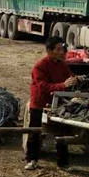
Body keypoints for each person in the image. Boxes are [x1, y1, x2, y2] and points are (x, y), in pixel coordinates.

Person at [25, 36, 78, 170]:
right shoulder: (40, 66)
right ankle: (31, 160)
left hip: (57, 104)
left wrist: (76, 79)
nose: (62, 52)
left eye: (62, 49)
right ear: (49, 51)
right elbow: (43, 86)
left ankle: (63, 163)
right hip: (40, 104)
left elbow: (69, 76)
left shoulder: (62, 64)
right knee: (35, 132)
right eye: (58, 49)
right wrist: (63, 85)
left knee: (61, 132)